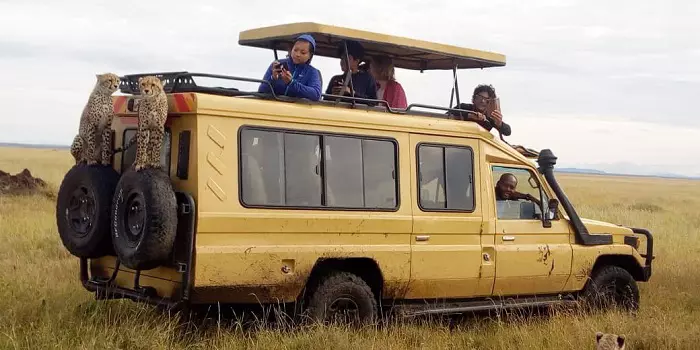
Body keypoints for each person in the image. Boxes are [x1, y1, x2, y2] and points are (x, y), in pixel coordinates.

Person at [258, 34, 322, 101]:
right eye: (295, 50)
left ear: (310, 55)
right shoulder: (277, 64)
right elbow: (261, 91)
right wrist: (273, 78)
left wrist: (291, 83)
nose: (297, 54)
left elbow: (316, 94)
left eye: (303, 53)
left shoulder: (312, 72)